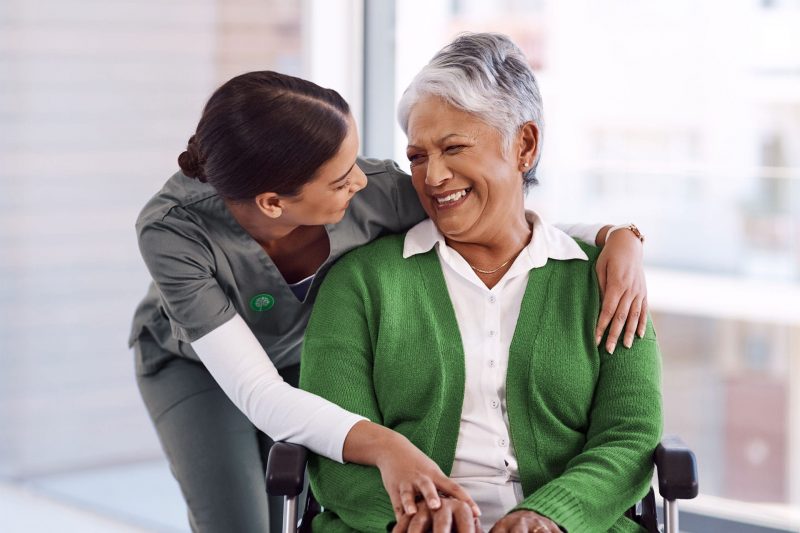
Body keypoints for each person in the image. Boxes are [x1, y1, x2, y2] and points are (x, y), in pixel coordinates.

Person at [130, 69, 650, 532]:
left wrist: (616, 236)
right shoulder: (173, 231)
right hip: (198, 366)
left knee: (289, 499)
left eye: (355, 161)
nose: (361, 178)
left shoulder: (374, 190)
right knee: (239, 522)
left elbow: (502, 216)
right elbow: (260, 395)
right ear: (273, 202)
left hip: (307, 357)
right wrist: (389, 448)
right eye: (339, 178)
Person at [300, 33, 662, 533]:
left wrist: (549, 515)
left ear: (525, 146)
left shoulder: (606, 279)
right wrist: (418, 515)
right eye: (419, 157)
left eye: (454, 148)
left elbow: (630, 435)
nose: (433, 177)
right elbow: (333, 445)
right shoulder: (360, 283)